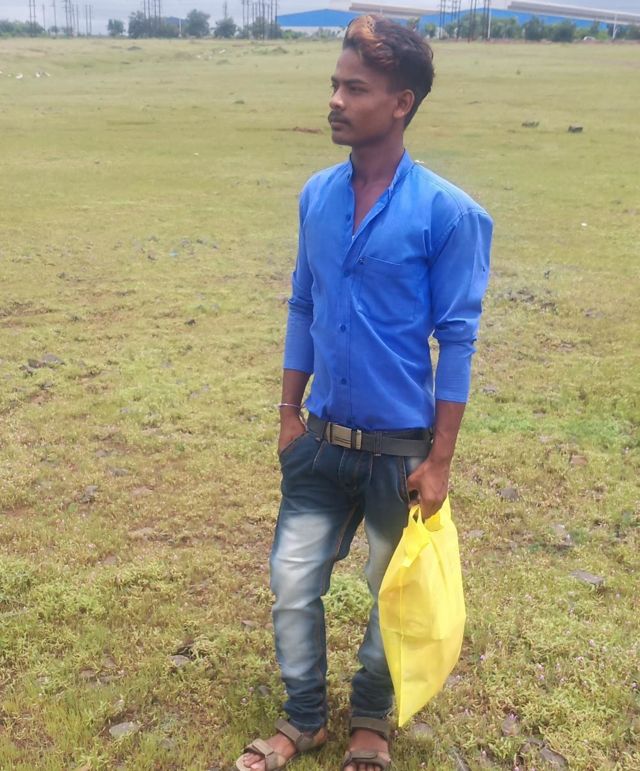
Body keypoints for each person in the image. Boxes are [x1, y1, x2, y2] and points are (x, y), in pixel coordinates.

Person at [236, 14, 492, 771]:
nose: (336, 101)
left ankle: (371, 722)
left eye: (356, 88)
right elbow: (302, 304)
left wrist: (440, 460)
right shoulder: (316, 196)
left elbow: (458, 339)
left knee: (391, 594)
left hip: (398, 453)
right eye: (335, 85)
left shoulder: (449, 213)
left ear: (401, 102)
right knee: (292, 583)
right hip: (319, 441)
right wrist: (289, 414)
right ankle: (304, 717)